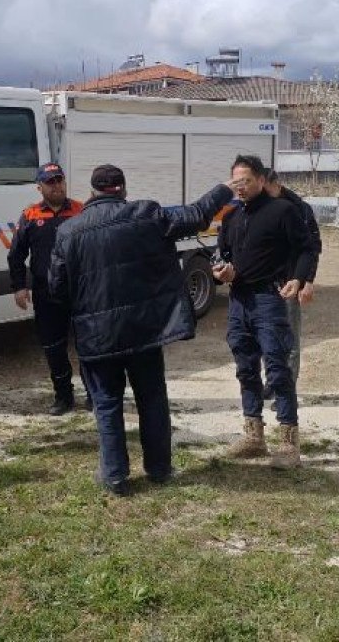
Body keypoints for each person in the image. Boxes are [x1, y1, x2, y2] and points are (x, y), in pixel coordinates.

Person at [48, 164, 235, 496]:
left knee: (107, 403)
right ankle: (159, 469)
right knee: (152, 399)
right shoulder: (148, 214)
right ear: (123, 189)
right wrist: (225, 188)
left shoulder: (68, 231)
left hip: (97, 335)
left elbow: (57, 289)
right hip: (145, 330)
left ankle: (115, 476)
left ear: (91, 192)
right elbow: (197, 215)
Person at [214, 154, 316, 469]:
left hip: (270, 299)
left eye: (246, 181)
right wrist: (222, 271)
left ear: (260, 179)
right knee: (245, 367)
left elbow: (307, 248)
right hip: (238, 301)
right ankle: (253, 436)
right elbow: (223, 255)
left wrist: (299, 278)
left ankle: (288, 444)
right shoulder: (231, 216)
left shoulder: (282, 211)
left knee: (277, 367)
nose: (240, 187)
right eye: (236, 182)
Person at [7, 162, 85, 415]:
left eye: (59, 180)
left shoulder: (81, 210)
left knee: (88, 344)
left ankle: (95, 394)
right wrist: (19, 286)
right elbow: (16, 255)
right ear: (39, 187)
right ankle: (63, 396)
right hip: (46, 293)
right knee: (53, 347)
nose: (56, 186)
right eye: (50, 182)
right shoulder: (30, 215)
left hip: (80, 290)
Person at [263, 170, 322, 397]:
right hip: (265, 283)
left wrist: (308, 281)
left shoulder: (300, 209)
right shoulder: (260, 208)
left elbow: (312, 248)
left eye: (266, 190)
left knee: (289, 340)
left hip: (291, 282)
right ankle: (272, 382)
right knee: (267, 337)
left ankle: (286, 391)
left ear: (276, 184)